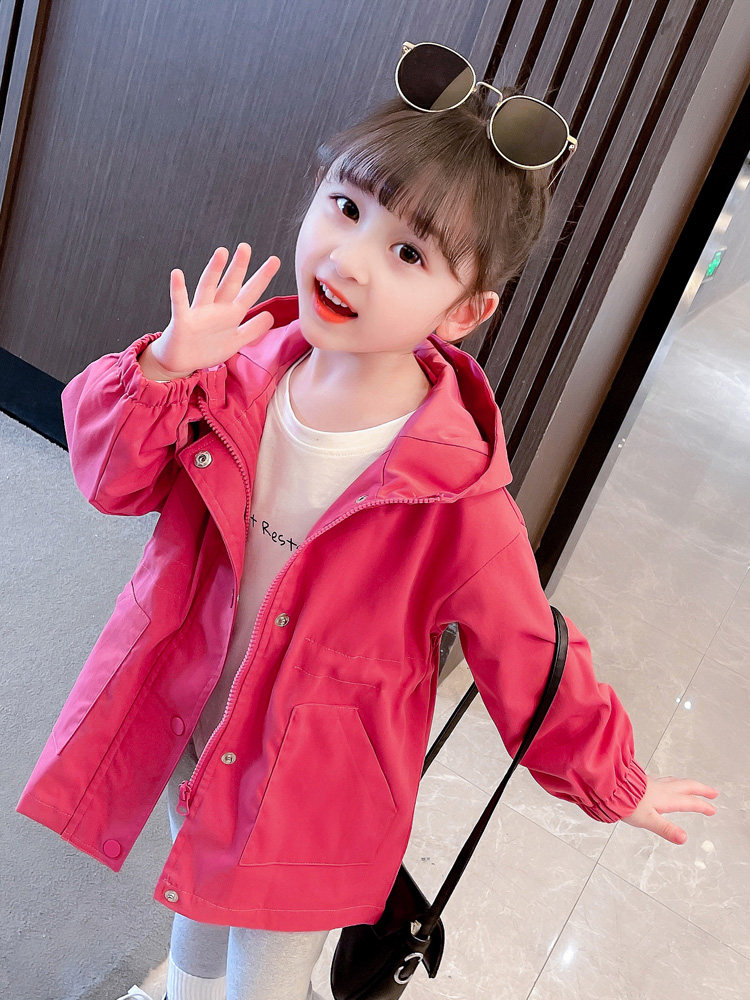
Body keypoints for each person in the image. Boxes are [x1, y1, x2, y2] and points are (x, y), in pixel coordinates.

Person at [16, 77, 719, 1000]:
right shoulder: (234, 373)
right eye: (345, 206)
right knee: (194, 900)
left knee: (265, 972)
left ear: (465, 312)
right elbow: (110, 482)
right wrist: (161, 369)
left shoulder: (455, 493)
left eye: (408, 252)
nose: (348, 261)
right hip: (204, 721)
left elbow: (528, 651)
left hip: (314, 790)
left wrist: (616, 780)